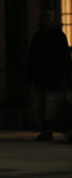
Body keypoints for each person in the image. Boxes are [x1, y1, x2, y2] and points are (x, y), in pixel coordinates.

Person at [26, 9, 72, 141]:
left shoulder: (55, 36)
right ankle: (47, 129)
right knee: (45, 104)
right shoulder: (43, 37)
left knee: (52, 103)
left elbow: (64, 57)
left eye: (52, 17)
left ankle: (50, 129)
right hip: (45, 76)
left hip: (53, 75)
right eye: (48, 17)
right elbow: (33, 58)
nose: (50, 20)